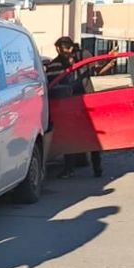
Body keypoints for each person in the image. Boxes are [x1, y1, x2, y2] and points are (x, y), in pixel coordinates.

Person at [47, 36, 103, 178]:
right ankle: (69, 168)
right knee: (69, 136)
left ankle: (97, 167)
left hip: (87, 100)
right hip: (68, 104)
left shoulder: (83, 56)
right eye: (58, 49)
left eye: (62, 49)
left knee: (91, 135)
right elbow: (51, 82)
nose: (59, 52)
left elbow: (96, 68)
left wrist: (108, 63)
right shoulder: (56, 64)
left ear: (70, 48)